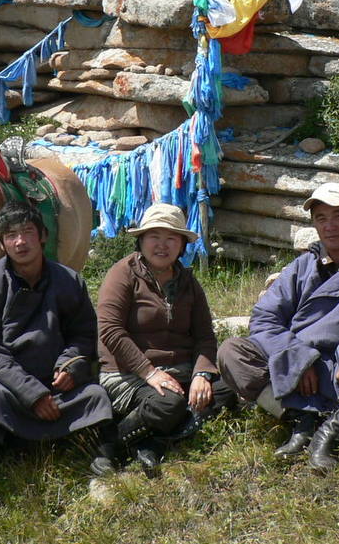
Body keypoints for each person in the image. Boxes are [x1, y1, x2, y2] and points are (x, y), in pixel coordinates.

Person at [217, 183, 339, 471]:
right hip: (300, 376)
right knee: (231, 351)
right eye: (321, 218)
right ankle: (299, 420)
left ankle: (335, 429)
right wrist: (298, 358)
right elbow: (264, 319)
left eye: (338, 216)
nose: (330, 226)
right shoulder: (301, 268)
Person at [0, 202, 114, 492]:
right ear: (2, 243)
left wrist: (70, 365)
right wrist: (32, 394)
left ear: (42, 236)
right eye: (11, 235)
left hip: (50, 377)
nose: (20, 242)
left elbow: (83, 334)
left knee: (95, 396)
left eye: (27, 232)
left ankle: (103, 461)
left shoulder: (68, 281)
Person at [97, 203, 237, 474]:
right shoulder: (123, 274)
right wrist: (149, 372)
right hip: (129, 372)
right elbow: (110, 330)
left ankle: (153, 441)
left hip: (179, 371)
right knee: (169, 403)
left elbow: (205, 335)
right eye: (154, 236)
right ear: (141, 240)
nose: (162, 245)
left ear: (182, 245)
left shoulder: (188, 282)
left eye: (171, 238)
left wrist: (202, 374)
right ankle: (111, 446)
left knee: (226, 389)